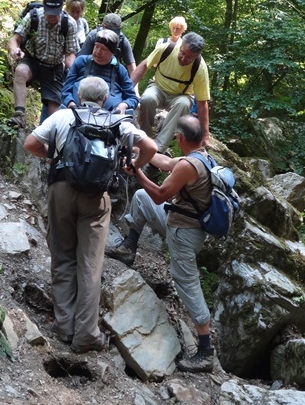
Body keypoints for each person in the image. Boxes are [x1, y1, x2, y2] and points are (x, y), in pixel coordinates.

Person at [24, 76, 157, 354]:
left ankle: (64, 326)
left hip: (61, 188)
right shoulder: (118, 122)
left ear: (80, 94)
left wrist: (52, 157)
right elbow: (151, 148)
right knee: (90, 265)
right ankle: (86, 334)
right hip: (97, 197)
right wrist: (132, 165)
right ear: (105, 99)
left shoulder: (63, 116)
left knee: (62, 256)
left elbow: (30, 144)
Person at [104, 114, 214, 373]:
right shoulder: (200, 157)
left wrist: (137, 171)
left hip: (184, 234)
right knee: (141, 198)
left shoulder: (189, 166)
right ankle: (129, 247)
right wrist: (139, 149)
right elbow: (164, 162)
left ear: (180, 138)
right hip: (181, 223)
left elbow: (161, 193)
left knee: (187, 284)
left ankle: (206, 349)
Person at [7, 0, 80, 129]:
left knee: (54, 112)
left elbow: (70, 53)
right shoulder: (33, 16)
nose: (51, 16)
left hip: (54, 67)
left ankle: (50, 134)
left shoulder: (69, 24)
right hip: (33, 60)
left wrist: (72, 68)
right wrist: (14, 50)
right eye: (49, 12)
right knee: (21, 71)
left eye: (55, 13)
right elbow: (15, 39)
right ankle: (19, 115)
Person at [131, 31, 210, 153]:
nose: (183, 58)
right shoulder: (165, 49)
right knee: (147, 98)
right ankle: (145, 138)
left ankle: (158, 149)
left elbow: (202, 102)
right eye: (182, 53)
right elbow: (144, 66)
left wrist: (205, 135)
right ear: (180, 46)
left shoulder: (200, 68)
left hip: (181, 95)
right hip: (158, 87)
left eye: (189, 57)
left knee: (183, 104)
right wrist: (128, 90)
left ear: (196, 56)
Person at [62, 29, 139, 114]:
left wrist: (124, 105)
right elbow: (65, 90)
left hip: (110, 119)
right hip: (74, 113)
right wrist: (71, 104)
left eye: (103, 49)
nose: (98, 51)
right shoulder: (80, 61)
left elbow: (132, 98)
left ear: (113, 52)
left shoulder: (120, 70)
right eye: (96, 46)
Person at [79, 13, 137, 78]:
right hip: (90, 71)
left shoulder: (123, 41)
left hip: (111, 74)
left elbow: (132, 68)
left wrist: (134, 86)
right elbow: (80, 61)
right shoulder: (93, 36)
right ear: (103, 26)